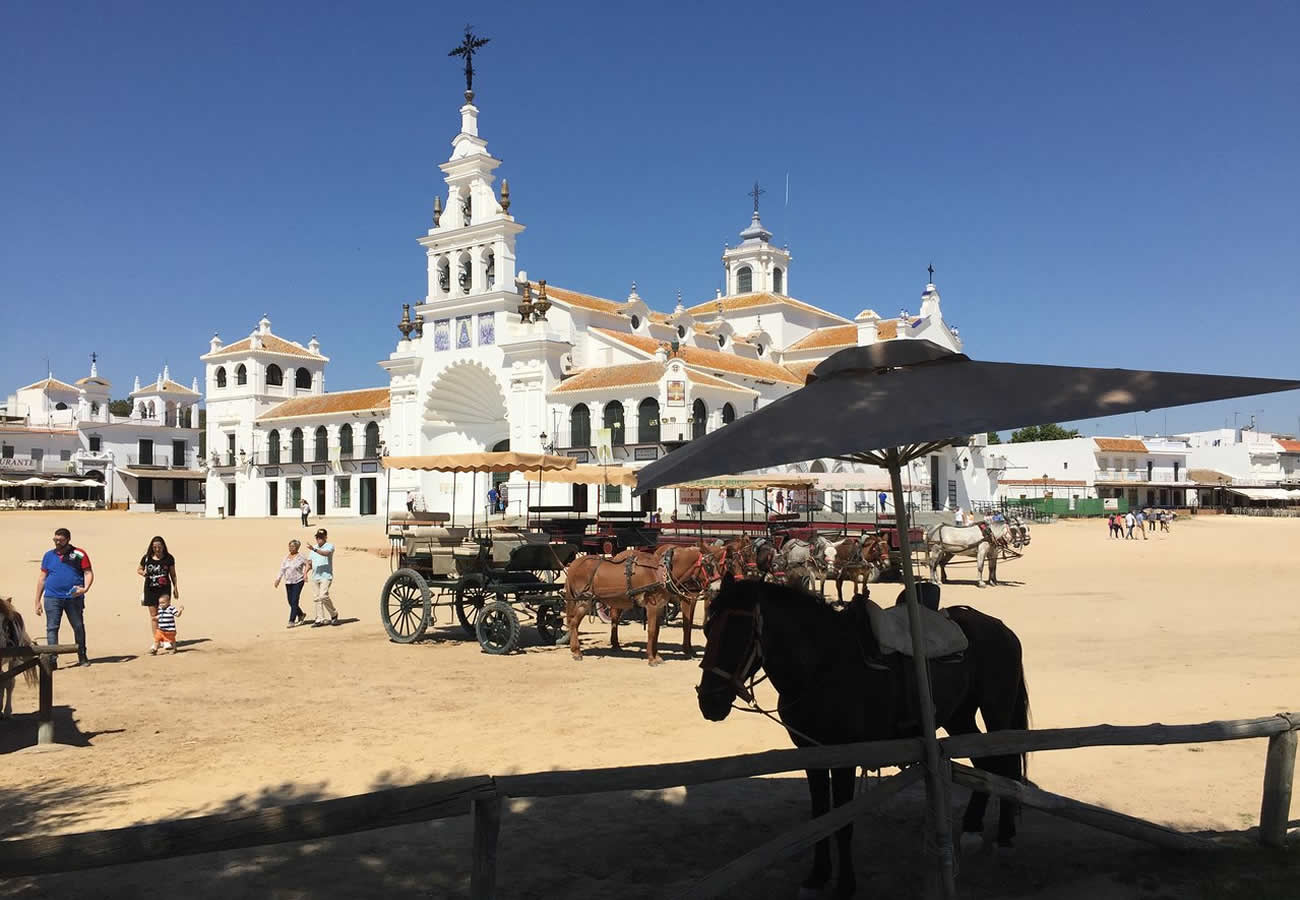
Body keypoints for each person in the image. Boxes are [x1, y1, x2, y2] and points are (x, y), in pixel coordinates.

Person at [34, 527, 93, 668]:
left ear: (68, 539)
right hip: (52, 597)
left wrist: (85, 588)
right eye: (55, 539)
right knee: (52, 628)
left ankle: (82, 655)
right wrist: (37, 600)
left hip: (73, 597)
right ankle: (52, 659)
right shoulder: (48, 555)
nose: (57, 542)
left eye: (60, 540)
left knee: (78, 626)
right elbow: (42, 578)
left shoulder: (79, 554)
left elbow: (88, 572)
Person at [138, 535, 180, 655]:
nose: (157, 549)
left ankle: (166, 639)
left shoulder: (169, 558)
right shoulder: (146, 558)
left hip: (164, 589)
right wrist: (143, 573)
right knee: (154, 616)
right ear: (152, 547)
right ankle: (157, 639)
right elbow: (139, 569)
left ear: (163, 546)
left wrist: (176, 588)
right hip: (150, 589)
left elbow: (173, 574)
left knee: (165, 613)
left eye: (159, 546)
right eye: (155, 547)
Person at [273, 539, 311, 627]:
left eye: (292, 546)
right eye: (289, 546)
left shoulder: (301, 556)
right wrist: (278, 579)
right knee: (290, 601)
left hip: (298, 580)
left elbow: (308, 564)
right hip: (288, 581)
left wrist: (305, 574)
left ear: (297, 547)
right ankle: (301, 614)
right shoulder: (286, 557)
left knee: (295, 600)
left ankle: (291, 620)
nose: (290, 548)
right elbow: (282, 569)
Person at [309, 528, 339, 627]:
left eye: (321, 537)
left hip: (326, 575)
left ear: (325, 537)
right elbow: (310, 562)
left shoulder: (329, 546)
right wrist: (305, 573)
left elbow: (326, 553)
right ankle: (319, 619)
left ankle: (334, 614)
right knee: (317, 598)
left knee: (323, 595)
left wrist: (314, 549)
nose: (319, 539)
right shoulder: (313, 548)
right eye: (317, 537)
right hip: (315, 575)